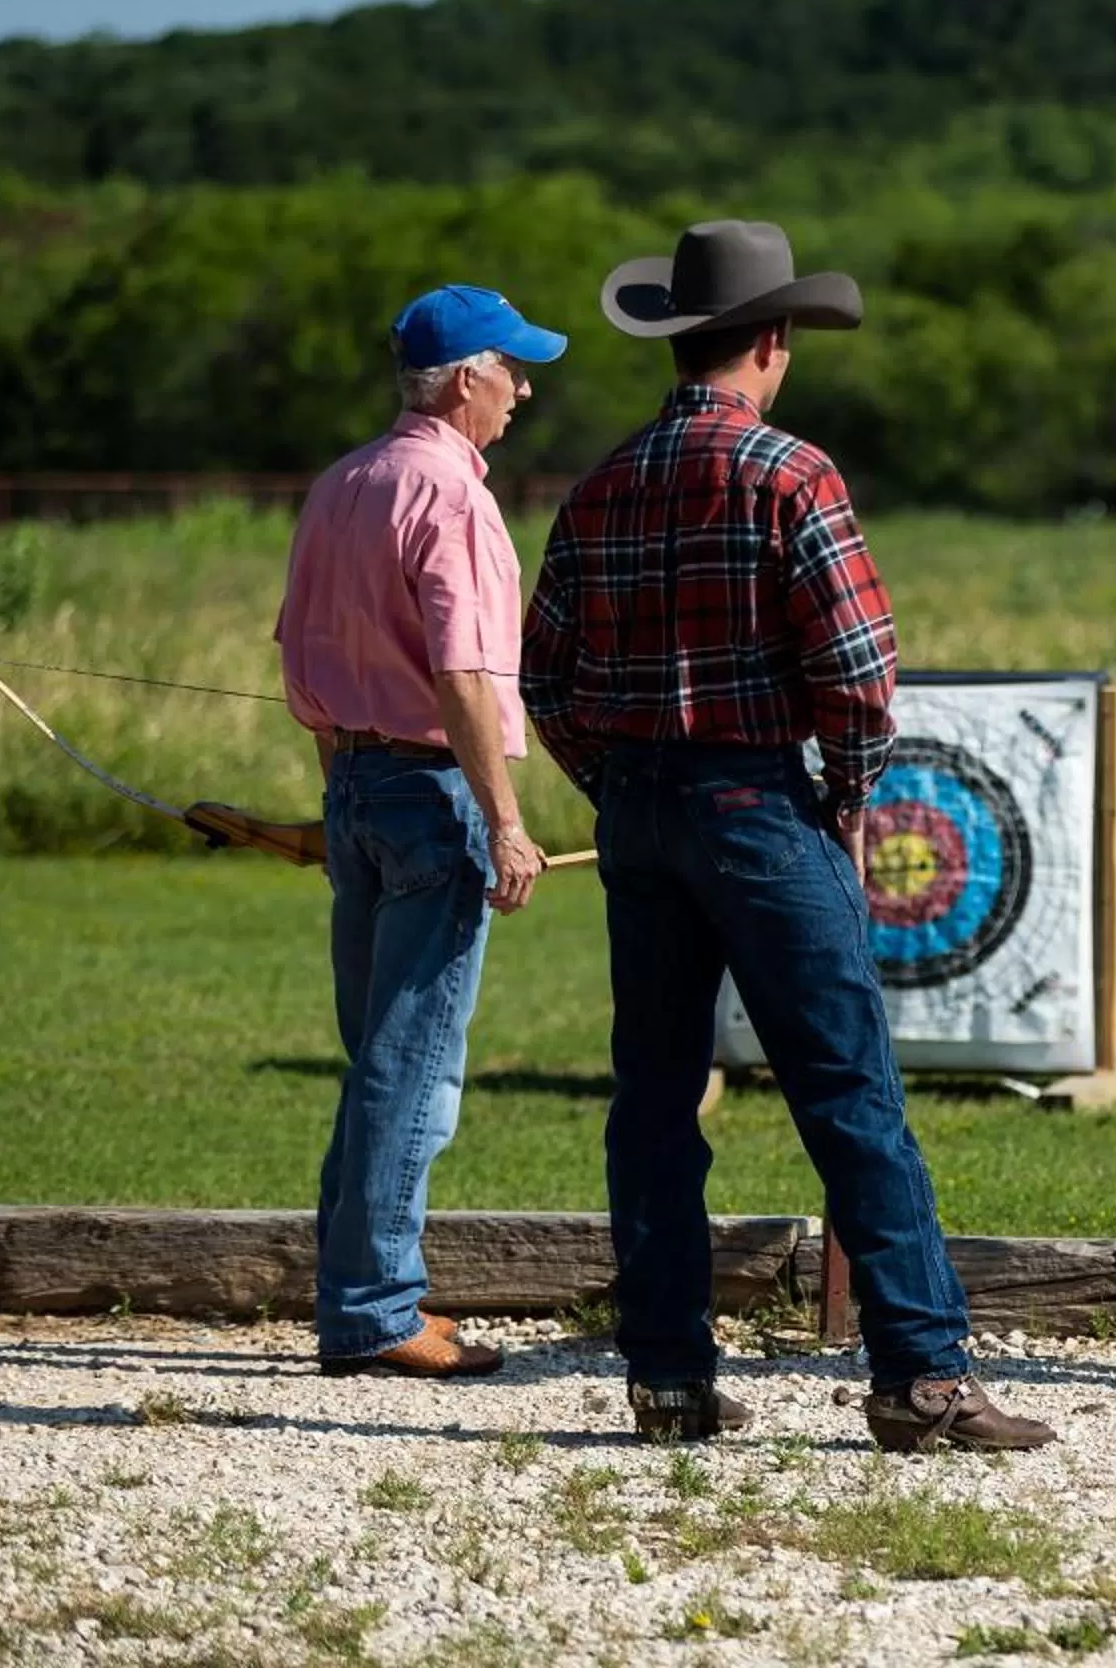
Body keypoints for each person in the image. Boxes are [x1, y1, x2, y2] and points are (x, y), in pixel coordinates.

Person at [523, 219, 1053, 1451]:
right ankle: (920, 1374)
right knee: (847, 1086)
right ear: (771, 340)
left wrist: (614, 779)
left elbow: (540, 675)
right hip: (762, 801)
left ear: (678, 340)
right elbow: (861, 668)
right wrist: (854, 789)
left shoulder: (600, 483)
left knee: (653, 1097)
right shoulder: (790, 473)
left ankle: (668, 1379)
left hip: (644, 809)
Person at [275, 284, 568, 1378]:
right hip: (432, 793)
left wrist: (336, 791)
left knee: (377, 1058)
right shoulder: (451, 493)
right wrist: (505, 819)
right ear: (463, 381)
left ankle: (356, 1294)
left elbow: (294, 652)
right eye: (513, 369)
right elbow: (460, 670)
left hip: (355, 787)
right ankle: (375, 1308)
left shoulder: (342, 481)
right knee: (412, 1064)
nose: (525, 389)